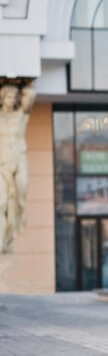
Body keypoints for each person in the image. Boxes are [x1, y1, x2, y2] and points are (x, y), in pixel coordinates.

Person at [0, 84, 35, 253]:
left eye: (14, 98)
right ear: (2, 99)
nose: (11, 100)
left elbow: (32, 95)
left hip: (19, 159)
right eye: (8, 97)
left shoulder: (21, 115)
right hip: (2, 164)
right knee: (2, 203)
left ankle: (17, 220)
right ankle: (2, 240)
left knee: (22, 192)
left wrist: (24, 83)